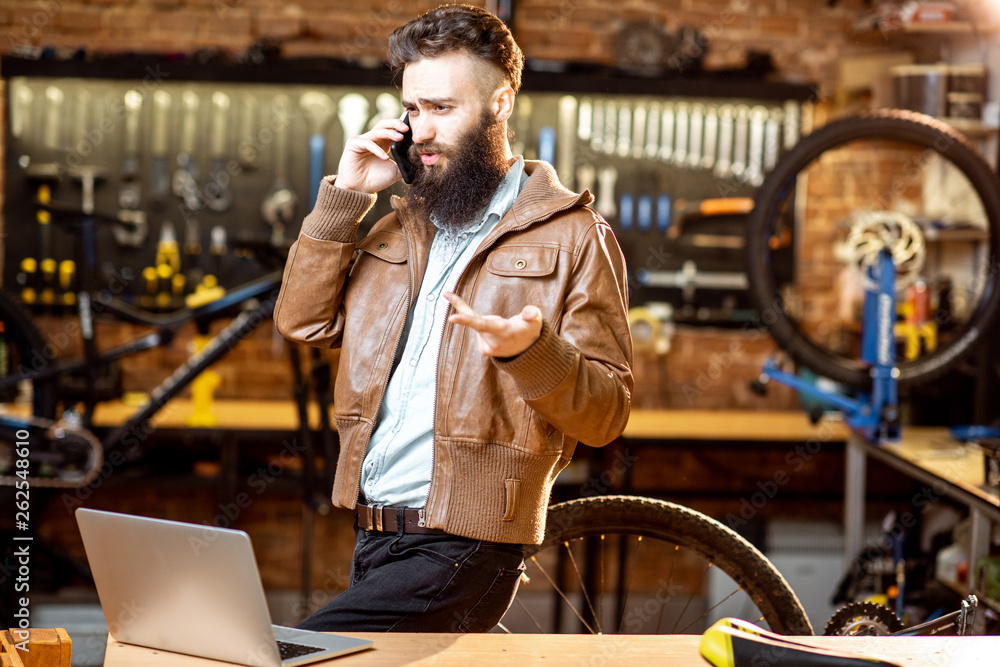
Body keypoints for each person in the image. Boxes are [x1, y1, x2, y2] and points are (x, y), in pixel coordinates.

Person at [274, 4, 632, 633]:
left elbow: (605, 415)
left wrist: (531, 352)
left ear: (500, 104)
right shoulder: (395, 228)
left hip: (468, 542)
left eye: (443, 108)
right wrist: (346, 199)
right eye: (413, 110)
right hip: (375, 532)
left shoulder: (577, 236)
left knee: (300, 651)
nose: (423, 130)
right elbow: (304, 324)